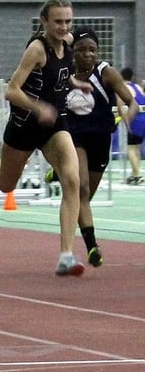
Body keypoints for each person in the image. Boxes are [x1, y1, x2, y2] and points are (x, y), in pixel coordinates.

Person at [0, 0, 92, 277]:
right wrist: (39, 107)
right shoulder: (37, 50)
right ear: (44, 22)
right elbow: (11, 90)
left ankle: (66, 255)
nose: (64, 27)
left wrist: (75, 83)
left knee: (72, 180)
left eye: (68, 21)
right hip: (25, 124)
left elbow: (60, 75)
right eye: (58, 22)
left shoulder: (69, 43)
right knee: (5, 184)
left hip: (54, 125)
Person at [64, 27, 138, 268]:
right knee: (81, 188)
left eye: (92, 50)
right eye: (82, 50)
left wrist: (128, 115)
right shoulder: (65, 73)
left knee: (84, 197)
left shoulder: (105, 73)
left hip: (100, 139)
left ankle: (62, 174)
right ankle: (92, 246)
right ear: (73, 52)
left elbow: (131, 101)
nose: (87, 55)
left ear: (98, 52)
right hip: (74, 138)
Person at [119, 67, 145, 184]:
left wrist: (126, 120)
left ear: (121, 76)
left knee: (130, 148)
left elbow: (122, 104)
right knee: (136, 148)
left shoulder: (125, 88)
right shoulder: (138, 87)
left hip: (136, 119)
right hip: (143, 119)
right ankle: (135, 174)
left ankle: (138, 175)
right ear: (132, 77)